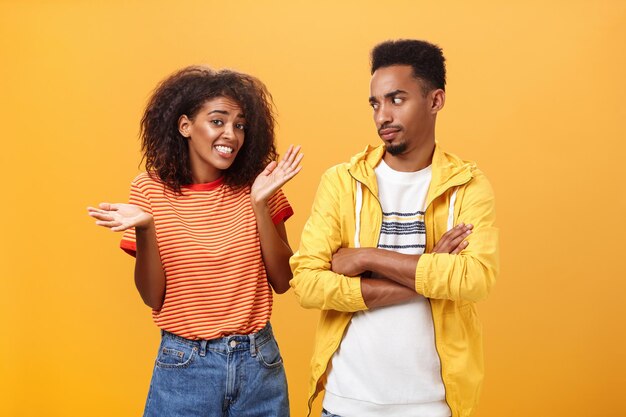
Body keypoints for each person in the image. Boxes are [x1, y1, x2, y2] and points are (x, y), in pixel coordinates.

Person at [290, 39, 499, 417]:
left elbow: (475, 278)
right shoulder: (342, 181)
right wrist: (429, 268)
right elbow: (306, 283)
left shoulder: (467, 184)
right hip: (346, 402)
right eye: (375, 103)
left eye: (396, 100)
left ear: (435, 101)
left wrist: (367, 257)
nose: (382, 115)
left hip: (432, 405)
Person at [88, 66, 302, 417]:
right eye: (218, 121)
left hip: (259, 365)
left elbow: (283, 280)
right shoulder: (149, 190)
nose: (231, 134)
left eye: (240, 125)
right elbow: (152, 297)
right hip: (185, 367)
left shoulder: (260, 185)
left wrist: (260, 205)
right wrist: (146, 227)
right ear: (184, 125)